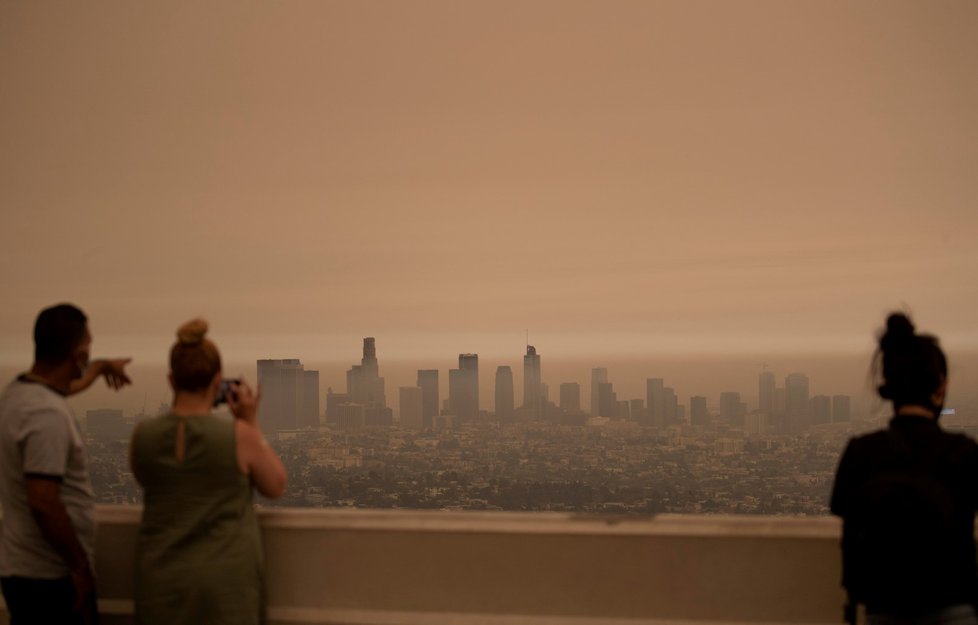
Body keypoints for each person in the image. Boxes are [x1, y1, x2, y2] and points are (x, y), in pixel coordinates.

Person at [130, 319, 286, 625]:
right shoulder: (239, 436)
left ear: (171, 380)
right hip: (223, 587)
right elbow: (276, 485)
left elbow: (147, 479)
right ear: (218, 382)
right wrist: (249, 421)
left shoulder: (142, 436)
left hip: (158, 582)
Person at [831, 313, 978, 625]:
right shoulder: (964, 454)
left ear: (888, 388)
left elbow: (847, 525)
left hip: (884, 610)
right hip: (953, 608)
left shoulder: (862, 453)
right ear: (940, 387)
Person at [0, 303, 132, 625]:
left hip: (22, 568)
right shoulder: (47, 415)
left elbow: (61, 388)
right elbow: (43, 501)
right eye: (88, 347)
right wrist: (79, 567)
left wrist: (100, 367)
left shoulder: (18, 394)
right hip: (49, 575)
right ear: (77, 355)